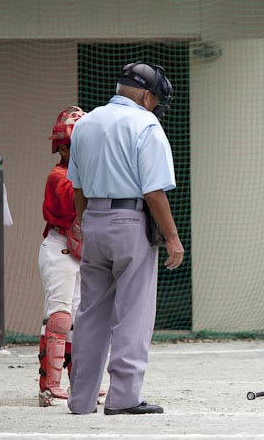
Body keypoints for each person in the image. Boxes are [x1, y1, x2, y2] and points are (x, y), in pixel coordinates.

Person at [66, 62, 184, 415]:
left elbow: (78, 186)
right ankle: (123, 398)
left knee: (90, 314)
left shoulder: (85, 122)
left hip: (94, 220)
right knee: (133, 313)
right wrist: (172, 237)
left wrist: (84, 222)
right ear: (147, 96)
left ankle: (80, 399)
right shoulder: (146, 123)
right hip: (129, 221)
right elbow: (153, 192)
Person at [37, 106, 86, 407]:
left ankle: (80, 384)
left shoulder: (82, 173)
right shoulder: (59, 176)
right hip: (59, 246)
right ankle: (49, 387)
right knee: (60, 317)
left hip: (79, 252)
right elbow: (74, 205)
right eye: (70, 145)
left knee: (81, 321)